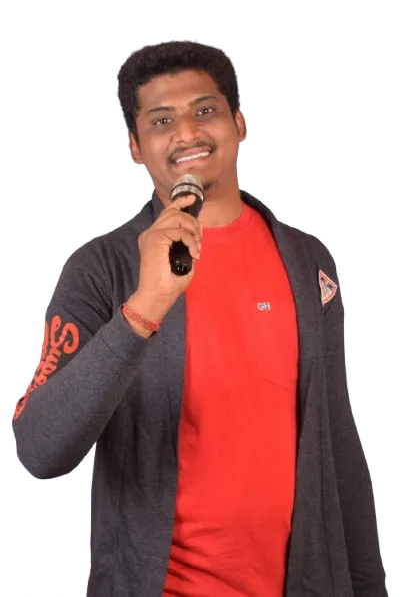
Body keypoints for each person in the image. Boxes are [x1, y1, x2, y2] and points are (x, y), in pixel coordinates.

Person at [12, 39, 387, 597]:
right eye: (162, 121)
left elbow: (335, 441)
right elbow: (41, 449)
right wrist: (144, 308)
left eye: (205, 111)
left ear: (239, 123)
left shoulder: (307, 263)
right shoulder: (102, 270)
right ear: (135, 147)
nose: (187, 133)